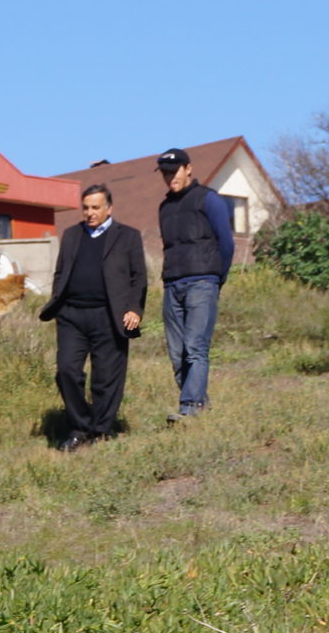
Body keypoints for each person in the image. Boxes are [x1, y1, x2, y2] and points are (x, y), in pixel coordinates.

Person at [38, 184, 147, 452]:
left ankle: (99, 431)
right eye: (85, 207)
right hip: (72, 315)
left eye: (95, 207)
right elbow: (60, 273)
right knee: (67, 370)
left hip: (109, 315)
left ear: (109, 208)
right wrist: (58, 301)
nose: (90, 213)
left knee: (106, 378)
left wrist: (134, 309)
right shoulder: (72, 234)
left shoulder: (128, 236)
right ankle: (79, 427)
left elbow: (139, 277)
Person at [155, 147, 235, 420]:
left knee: (195, 347)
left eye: (174, 171)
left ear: (188, 169)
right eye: (165, 173)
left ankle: (189, 408)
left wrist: (217, 279)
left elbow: (226, 244)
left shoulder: (209, 199)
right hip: (172, 285)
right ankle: (200, 402)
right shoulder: (165, 208)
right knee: (176, 352)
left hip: (202, 282)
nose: (170, 177)